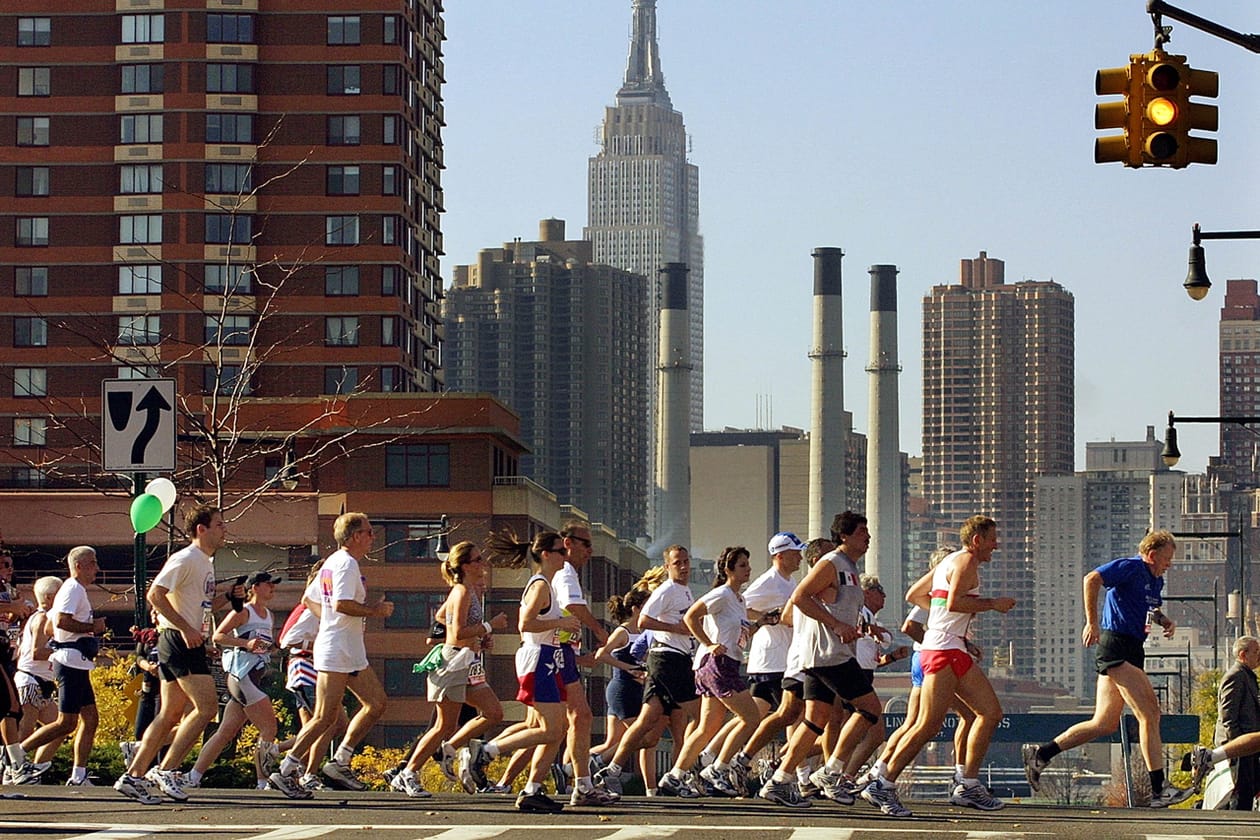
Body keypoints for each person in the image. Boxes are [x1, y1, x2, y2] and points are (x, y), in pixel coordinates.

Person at [1022, 529, 1194, 808]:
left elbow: (1150, 608)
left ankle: (1041, 754)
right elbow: (1092, 578)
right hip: (1116, 646)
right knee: (1150, 714)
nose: (1169, 564)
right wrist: (1092, 622)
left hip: (1134, 648)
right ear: (1151, 555)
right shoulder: (1131, 567)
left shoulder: (1155, 580)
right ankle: (1159, 789)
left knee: (1104, 723)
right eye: (1166, 558)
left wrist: (1164, 621)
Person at [862, 515, 1014, 817]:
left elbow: (915, 596)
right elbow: (956, 602)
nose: (996, 545)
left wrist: (943, 618)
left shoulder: (948, 563)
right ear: (977, 541)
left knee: (989, 713)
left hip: (949, 646)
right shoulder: (966, 562)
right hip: (942, 650)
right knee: (927, 725)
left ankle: (967, 784)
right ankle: (884, 782)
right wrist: (992, 604)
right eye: (992, 539)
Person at [115, 504, 236, 805]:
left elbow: (201, 606)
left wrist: (231, 597)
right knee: (207, 708)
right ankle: (166, 769)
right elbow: (154, 595)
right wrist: (184, 629)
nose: (225, 530)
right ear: (201, 530)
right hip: (177, 641)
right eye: (219, 525)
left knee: (169, 714)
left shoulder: (206, 563)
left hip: (186, 642)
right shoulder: (186, 558)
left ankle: (133, 776)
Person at [759, 512, 882, 809]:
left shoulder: (850, 568)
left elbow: (839, 606)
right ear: (844, 536)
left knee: (815, 721)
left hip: (824, 655)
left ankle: (779, 781)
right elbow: (800, 596)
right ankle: (832, 771)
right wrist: (836, 626)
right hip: (829, 654)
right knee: (870, 710)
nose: (868, 537)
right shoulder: (832, 563)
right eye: (862, 531)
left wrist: (859, 627)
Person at [271, 512, 393, 798]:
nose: (373, 536)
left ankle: (340, 761)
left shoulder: (333, 562)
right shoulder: (346, 564)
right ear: (354, 537)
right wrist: (374, 612)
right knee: (325, 717)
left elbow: (309, 599)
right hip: (337, 649)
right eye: (369, 531)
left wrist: (326, 622)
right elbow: (341, 603)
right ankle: (286, 770)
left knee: (376, 703)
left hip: (346, 648)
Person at [458, 530, 581, 813]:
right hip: (538, 659)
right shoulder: (539, 585)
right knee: (551, 729)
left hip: (549, 659)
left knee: (556, 728)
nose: (566, 555)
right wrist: (562, 624)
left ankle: (533, 789)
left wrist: (562, 627)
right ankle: (486, 752)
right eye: (560, 551)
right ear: (546, 555)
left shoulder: (546, 585)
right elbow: (525, 624)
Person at [391, 540, 507, 798]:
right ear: (465, 566)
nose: (482, 563)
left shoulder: (466, 591)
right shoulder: (463, 592)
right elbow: (456, 632)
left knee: (493, 712)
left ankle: (450, 750)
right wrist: (489, 626)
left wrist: (478, 640)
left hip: (466, 663)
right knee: (443, 726)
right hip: (454, 663)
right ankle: (408, 772)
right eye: (477, 559)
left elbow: (443, 617)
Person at [594, 546, 700, 797]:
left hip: (678, 660)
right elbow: (644, 622)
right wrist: (676, 628)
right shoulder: (667, 590)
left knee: (660, 724)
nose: (683, 567)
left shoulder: (685, 591)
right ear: (667, 567)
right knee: (701, 717)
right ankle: (678, 775)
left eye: (686, 562)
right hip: (667, 660)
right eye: (677, 563)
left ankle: (615, 770)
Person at [11, 546, 108, 787]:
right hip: (69, 664)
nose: (97, 568)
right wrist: (90, 628)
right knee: (66, 722)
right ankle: (16, 755)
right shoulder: (73, 589)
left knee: (90, 719)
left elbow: (50, 627)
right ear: (79, 566)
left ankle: (78, 775)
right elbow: (63, 622)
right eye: (93, 563)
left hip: (76, 663)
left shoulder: (74, 591)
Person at [185, 571, 287, 793]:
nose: (273, 588)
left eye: (274, 585)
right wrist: (245, 643)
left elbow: (262, 645)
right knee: (269, 727)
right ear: (255, 587)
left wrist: (271, 648)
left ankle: (193, 776)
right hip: (243, 676)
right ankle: (262, 782)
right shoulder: (244, 611)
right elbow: (218, 636)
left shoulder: (268, 615)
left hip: (254, 675)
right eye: (269, 584)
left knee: (226, 731)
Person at [684, 546, 762, 798]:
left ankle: (675, 774)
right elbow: (691, 617)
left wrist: (762, 623)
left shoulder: (740, 599)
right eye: (742, 565)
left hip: (729, 662)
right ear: (728, 570)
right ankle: (718, 767)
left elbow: (741, 632)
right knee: (751, 718)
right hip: (717, 663)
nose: (748, 568)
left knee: (707, 728)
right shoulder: (722, 594)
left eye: (748, 564)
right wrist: (708, 643)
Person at [551, 521, 617, 806]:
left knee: (561, 723)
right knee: (573, 719)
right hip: (551, 654)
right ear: (568, 543)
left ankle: (576, 784)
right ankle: (487, 751)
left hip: (559, 653)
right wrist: (601, 631)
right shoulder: (565, 572)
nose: (590, 550)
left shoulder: (565, 573)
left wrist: (579, 656)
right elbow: (574, 607)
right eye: (586, 544)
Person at [277, 565, 346, 792]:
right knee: (329, 721)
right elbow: (287, 640)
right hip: (305, 668)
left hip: (319, 668)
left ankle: (284, 759)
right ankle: (307, 773)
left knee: (319, 724)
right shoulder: (308, 609)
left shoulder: (325, 609)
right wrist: (316, 645)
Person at [591, 586, 655, 790]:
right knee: (644, 738)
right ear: (636, 609)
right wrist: (629, 668)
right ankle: (597, 763)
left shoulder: (644, 632)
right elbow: (601, 654)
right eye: (647, 605)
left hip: (637, 690)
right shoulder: (623, 631)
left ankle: (572, 766)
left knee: (611, 742)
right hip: (622, 690)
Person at [1188, 635, 1260, 809]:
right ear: (1243, 655)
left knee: (1248, 790)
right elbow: (1228, 717)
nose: (1259, 655)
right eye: (1256, 651)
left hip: (1248, 748)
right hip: (1239, 748)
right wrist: (1237, 747)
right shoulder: (1236, 676)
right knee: (1239, 793)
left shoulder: (1247, 676)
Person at [0, 548, 34, 784]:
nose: (9, 569)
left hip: (4, 649)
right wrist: (11, 608)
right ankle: (16, 763)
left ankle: (11, 762)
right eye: (4, 564)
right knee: (9, 705)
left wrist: (18, 614)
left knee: (11, 708)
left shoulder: (7, 590)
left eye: (10, 565)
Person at [15, 576, 61, 743]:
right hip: (31, 680)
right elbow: (37, 652)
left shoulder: (49, 619)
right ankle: (14, 763)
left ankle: (39, 763)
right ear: (49, 597)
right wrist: (62, 649)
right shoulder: (42, 618)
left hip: (44, 682)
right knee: (26, 729)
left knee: (60, 727)